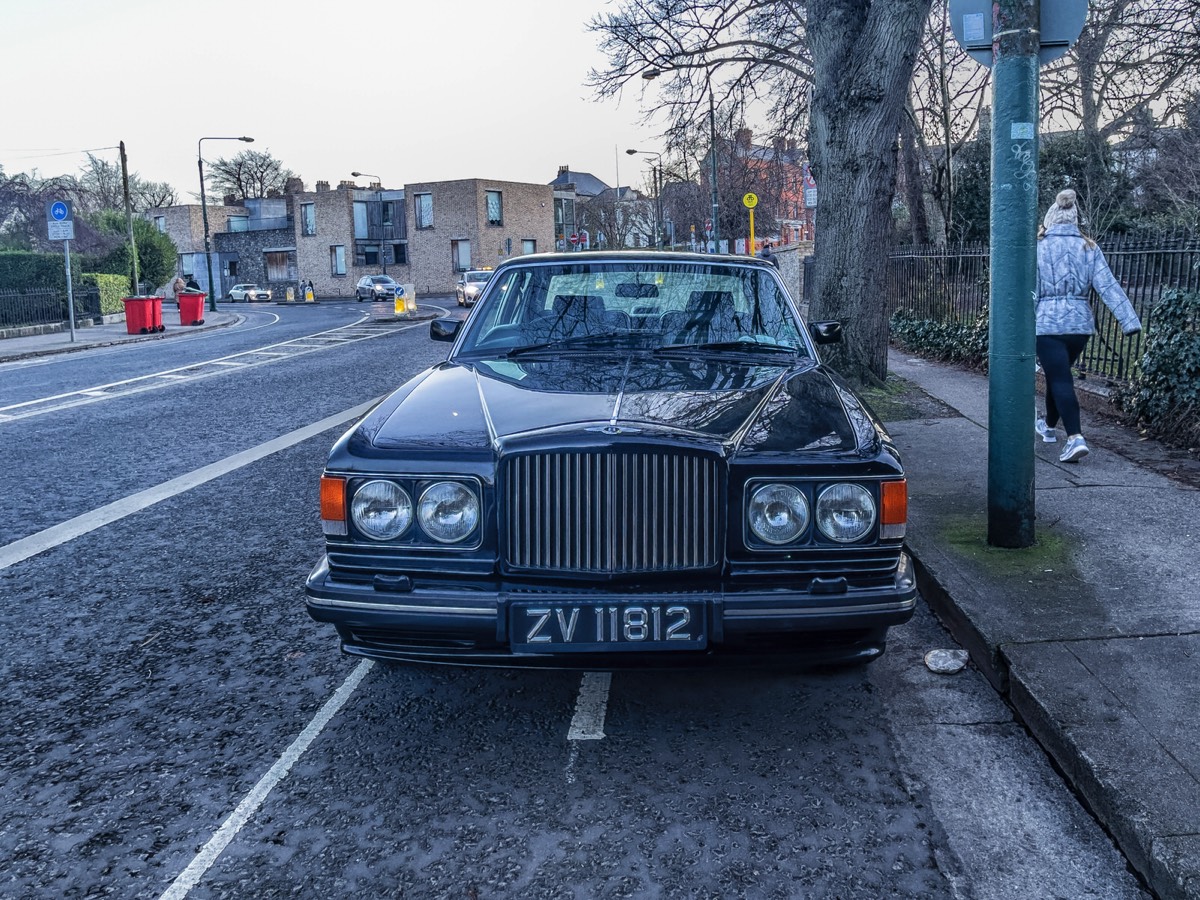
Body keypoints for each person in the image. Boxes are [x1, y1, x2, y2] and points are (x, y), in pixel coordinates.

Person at [1035, 189, 1141, 462]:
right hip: (1080, 326)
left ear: (1050, 219)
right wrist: (1129, 321)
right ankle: (1047, 427)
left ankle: (1075, 438)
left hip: (1047, 325)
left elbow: (1030, 291)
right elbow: (1108, 286)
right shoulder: (1089, 247)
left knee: (1059, 378)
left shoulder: (1038, 246)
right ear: (1074, 220)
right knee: (1058, 375)